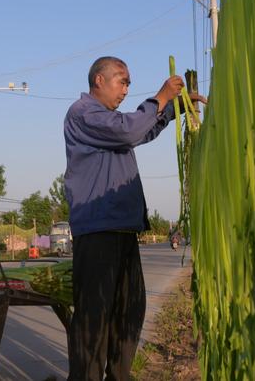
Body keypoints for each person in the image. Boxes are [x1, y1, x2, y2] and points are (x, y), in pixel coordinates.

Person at [63, 56, 205, 380]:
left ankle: (119, 376)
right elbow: (129, 131)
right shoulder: (82, 113)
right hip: (98, 228)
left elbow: (141, 129)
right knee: (94, 319)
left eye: (128, 83)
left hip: (123, 229)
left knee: (129, 312)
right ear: (99, 80)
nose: (126, 89)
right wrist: (162, 97)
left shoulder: (111, 122)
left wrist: (174, 109)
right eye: (121, 81)